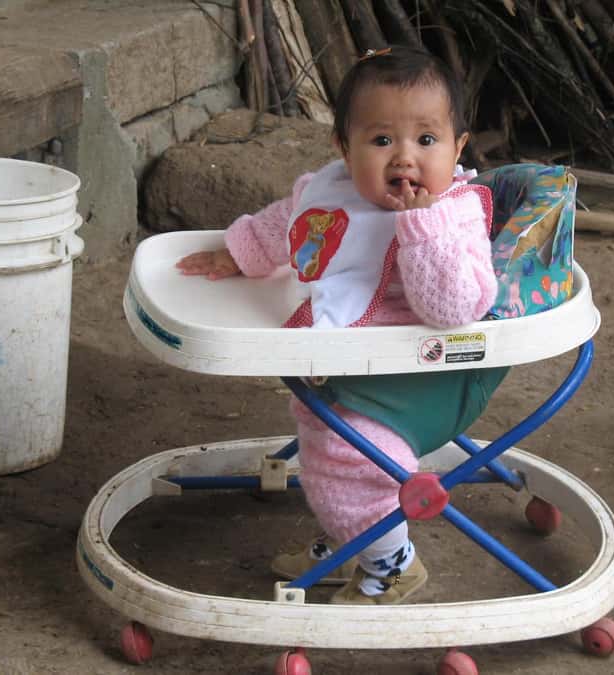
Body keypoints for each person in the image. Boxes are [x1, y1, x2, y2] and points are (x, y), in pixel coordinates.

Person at [176, 45, 507, 605]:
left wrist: (420, 226)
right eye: (381, 140)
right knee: (320, 435)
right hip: (353, 362)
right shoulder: (333, 190)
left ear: (458, 147)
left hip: (423, 374)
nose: (404, 158)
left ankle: (391, 564)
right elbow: (292, 225)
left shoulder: (455, 214)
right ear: (343, 148)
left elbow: (454, 308)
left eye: (426, 140)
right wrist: (241, 251)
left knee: (349, 457)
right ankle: (351, 535)